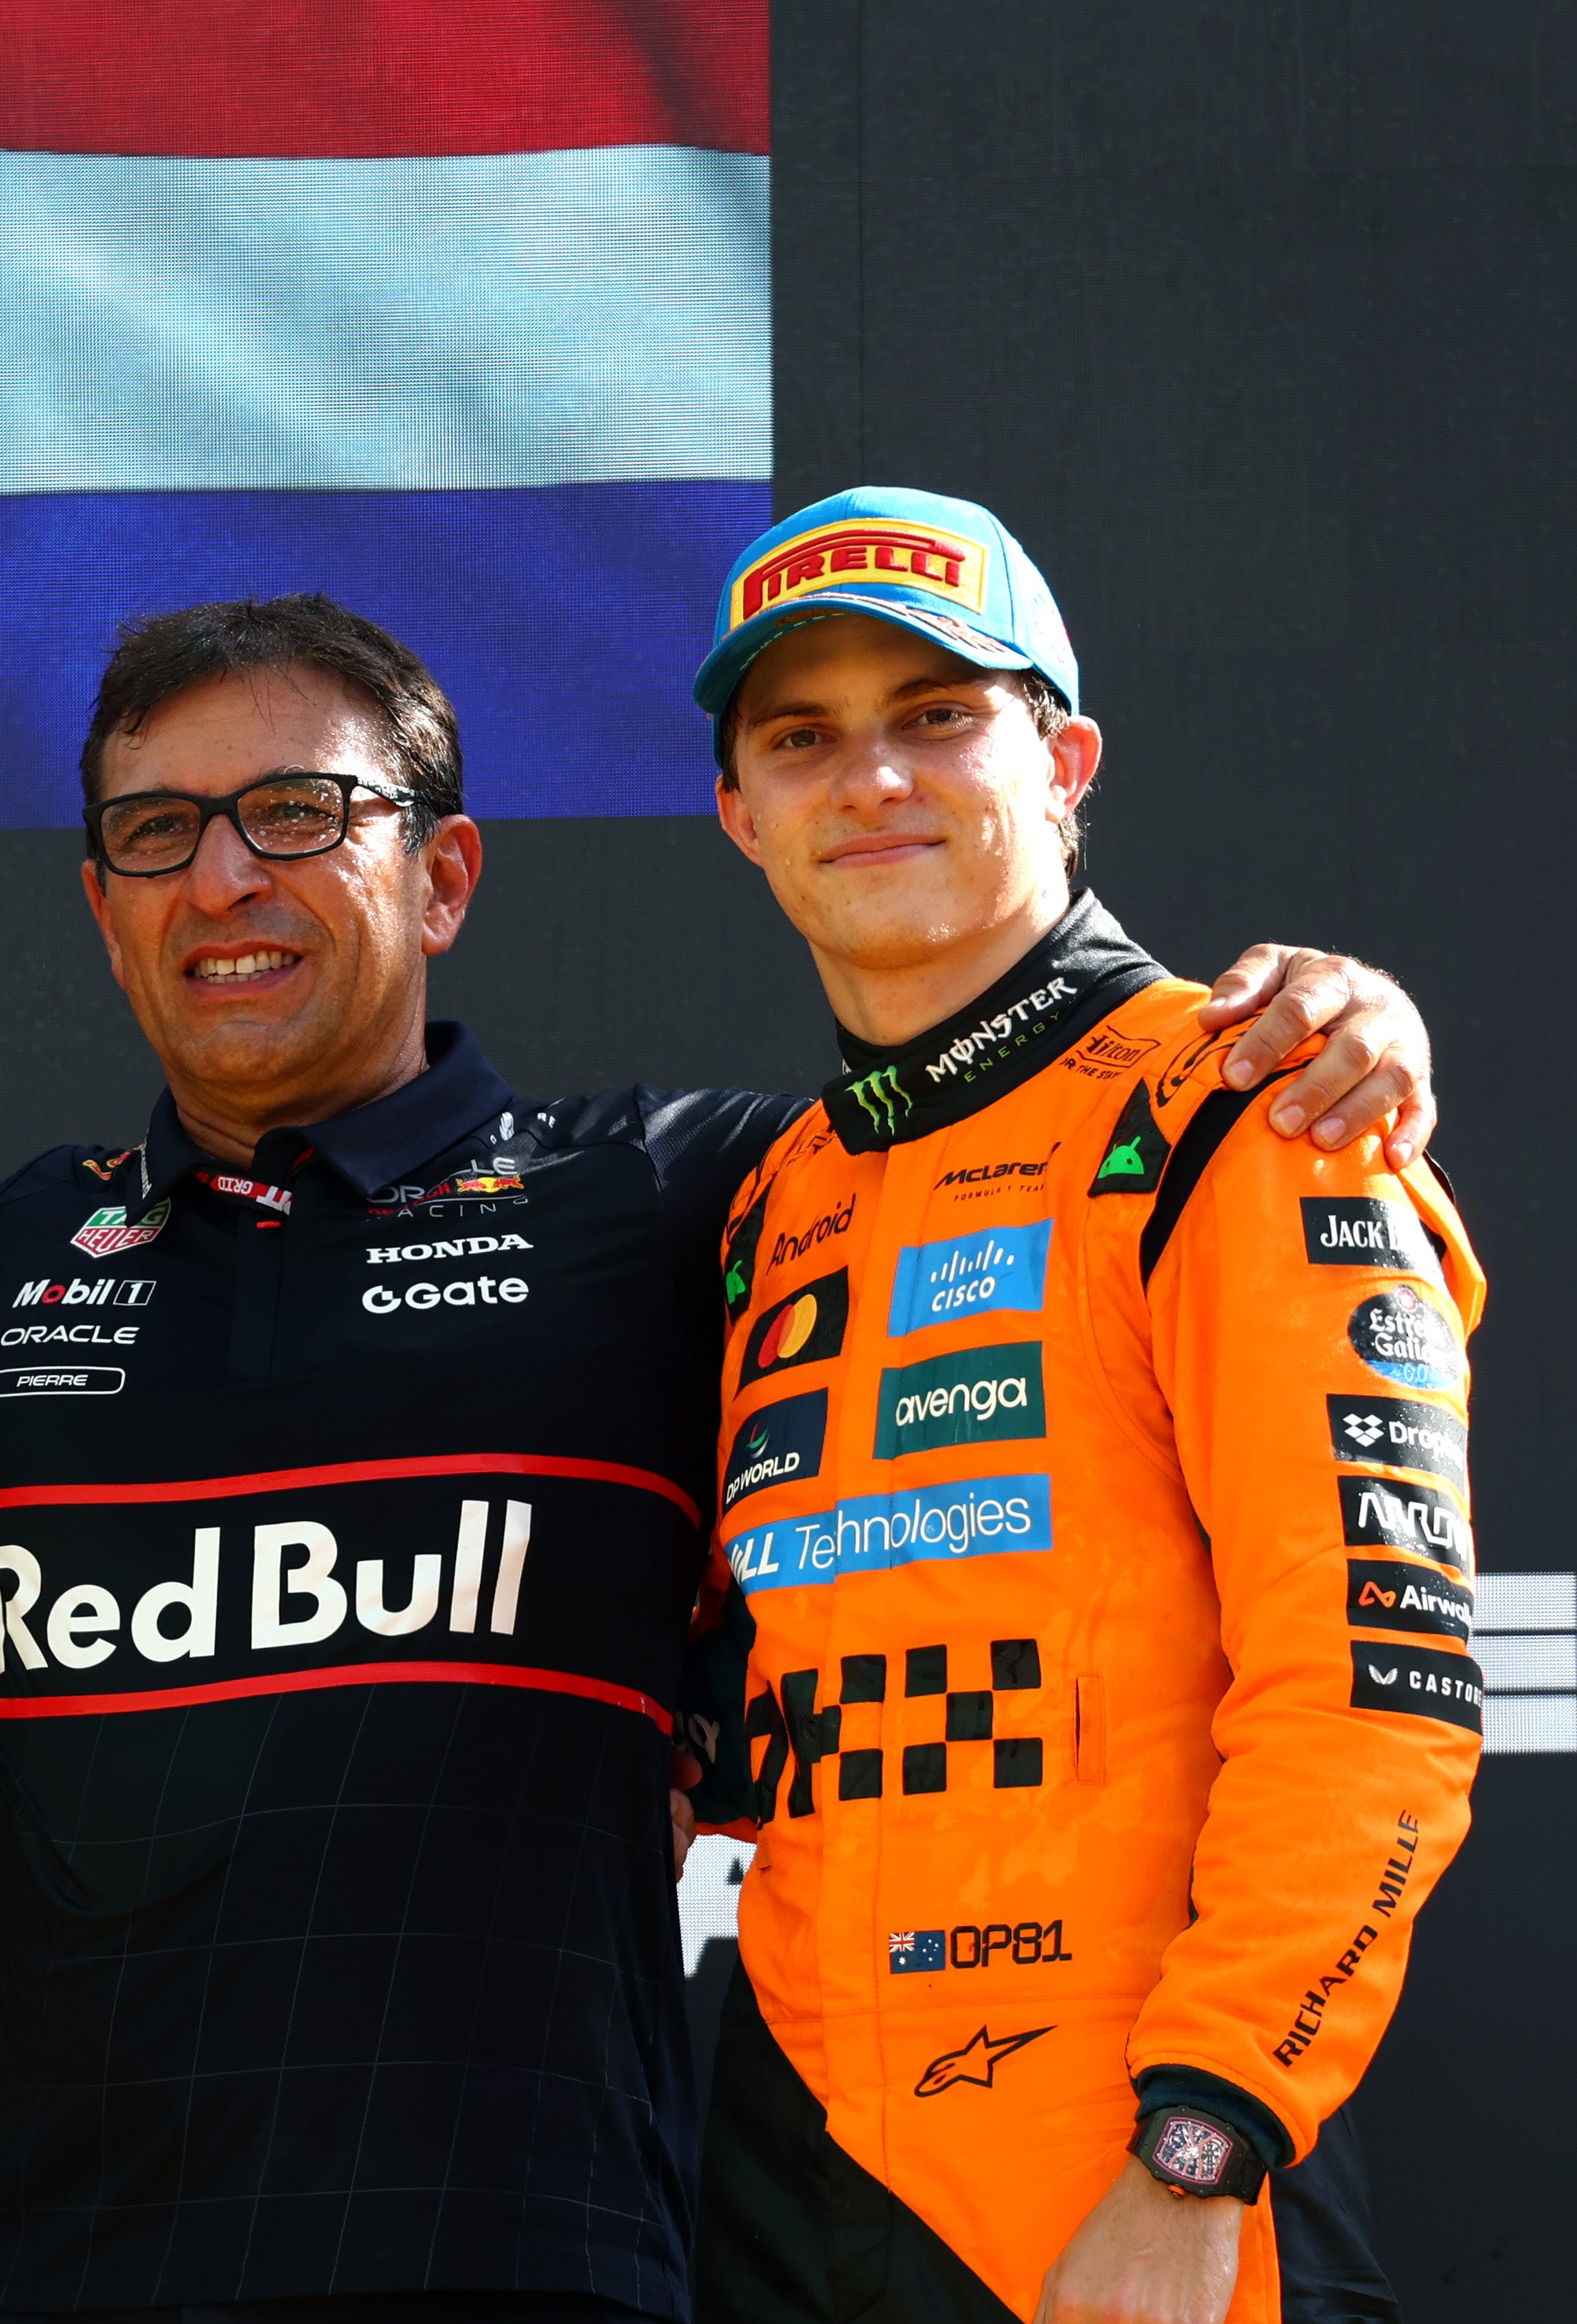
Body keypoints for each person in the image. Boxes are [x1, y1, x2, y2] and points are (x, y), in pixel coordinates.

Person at [0, 593, 1436, 2324]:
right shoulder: (2, 1255)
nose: (226, 877)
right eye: (157, 832)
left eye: (300, 813)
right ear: (101, 909)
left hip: (530, 2255)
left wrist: (1318, 1027)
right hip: (41, 2262)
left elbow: (1026, 1133)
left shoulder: (691, 1192)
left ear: (446, 877)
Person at [685, 488, 1483, 2324]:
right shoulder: (771, 1196)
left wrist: (1199, 2146)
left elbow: (1373, 1698)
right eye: (801, 737)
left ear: (1063, 759)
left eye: (935, 713)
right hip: (791, 2161)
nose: (868, 776)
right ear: (739, 815)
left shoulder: (1253, 1111)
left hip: (1130, 2184)